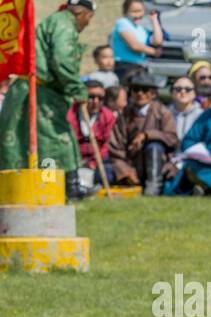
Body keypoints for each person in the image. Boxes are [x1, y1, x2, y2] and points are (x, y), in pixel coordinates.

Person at [0, 0, 96, 198]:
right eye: (89, 17)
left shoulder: (55, 21)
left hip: (28, 90)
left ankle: (46, 187)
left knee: (29, 143)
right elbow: (62, 60)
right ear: (80, 12)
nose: (88, 24)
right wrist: (77, 88)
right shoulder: (64, 24)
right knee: (57, 141)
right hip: (39, 93)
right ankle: (68, 188)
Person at [107, 71, 176, 195]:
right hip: (131, 166)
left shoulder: (163, 112)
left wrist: (147, 135)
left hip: (159, 166)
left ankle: (154, 187)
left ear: (153, 93)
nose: (140, 93)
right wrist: (125, 170)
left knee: (154, 146)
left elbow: (171, 138)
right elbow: (115, 148)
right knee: (104, 173)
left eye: (144, 90)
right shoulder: (124, 115)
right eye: (135, 89)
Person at [69, 79, 116, 186]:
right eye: (91, 97)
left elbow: (106, 145)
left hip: (97, 159)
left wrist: (93, 163)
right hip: (74, 158)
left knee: (107, 176)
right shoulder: (71, 114)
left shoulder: (108, 116)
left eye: (100, 98)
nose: (96, 101)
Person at [110, 0, 162, 85]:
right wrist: (154, 52)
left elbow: (157, 41)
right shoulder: (122, 23)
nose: (138, 15)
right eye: (134, 11)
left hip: (140, 66)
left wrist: (154, 20)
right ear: (126, 11)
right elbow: (134, 46)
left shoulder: (141, 28)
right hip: (125, 66)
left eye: (140, 11)